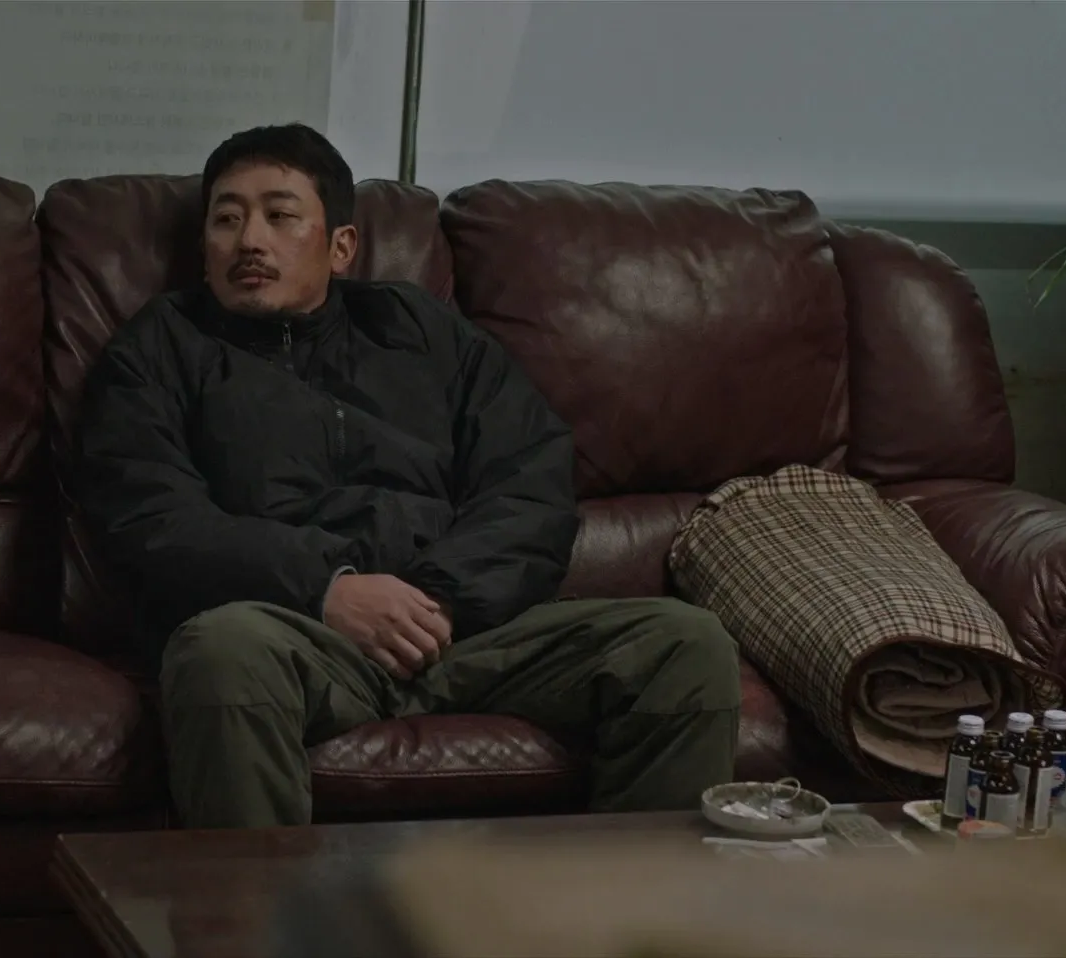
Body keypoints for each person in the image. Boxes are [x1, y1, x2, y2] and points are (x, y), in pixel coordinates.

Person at [74, 124, 743, 829]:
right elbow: (155, 519)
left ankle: (632, 902)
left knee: (684, 645)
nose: (250, 241)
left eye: (279, 215)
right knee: (219, 652)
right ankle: (257, 902)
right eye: (227, 218)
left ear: (341, 247)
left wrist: (441, 602)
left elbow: (530, 481)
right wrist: (328, 590)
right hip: (293, 635)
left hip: (462, 629)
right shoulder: (158, 350)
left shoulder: (421, 330)